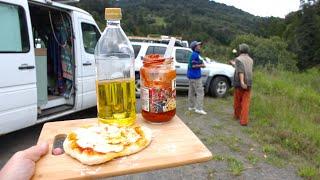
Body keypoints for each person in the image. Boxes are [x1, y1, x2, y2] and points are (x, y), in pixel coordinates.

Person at [230, 43, 253, 126]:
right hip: (249, 82)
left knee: (237, 100)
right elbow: (243, 68)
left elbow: (241, 71)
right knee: (246, 102)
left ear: (241, 50)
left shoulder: (238, 59)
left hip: (240, 83)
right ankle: (244, 121)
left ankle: (237, 116)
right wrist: (234, 64)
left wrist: (242, 82)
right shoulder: (251, 60)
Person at [187, 41, 207, 115]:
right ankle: (199, 108)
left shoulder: (194, 54)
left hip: (191, 76)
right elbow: (193, 66)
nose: (200, 46)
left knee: (191, 91)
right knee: (200, 92)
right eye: (198, 45)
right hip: (195, 77)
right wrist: (202, 66)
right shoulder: (195, 55)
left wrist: (200, 63)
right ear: (195, 47)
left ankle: (191, 106)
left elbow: (194, 63)